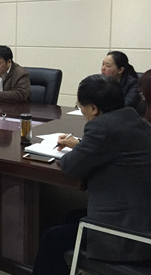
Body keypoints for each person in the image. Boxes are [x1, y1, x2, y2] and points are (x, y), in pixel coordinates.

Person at [32, 75, 151, 275]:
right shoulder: (134, 120)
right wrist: (82, 145)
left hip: (127, 235)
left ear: (94, 108)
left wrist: (79, 150)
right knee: (70, 216)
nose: (82, 112)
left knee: (51, 238)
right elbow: (115, 150)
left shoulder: (101, 127)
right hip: (142, 217)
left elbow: (70, 167)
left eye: (81, 107)